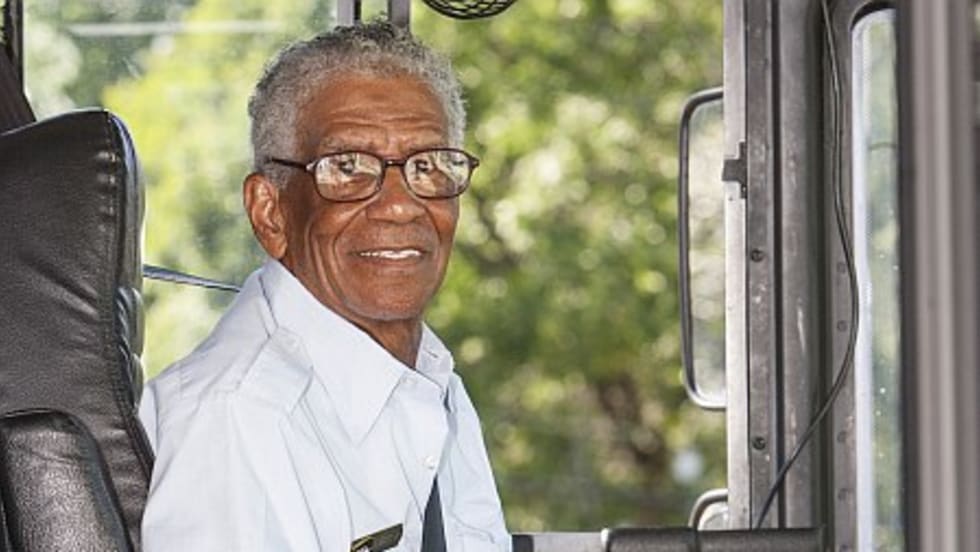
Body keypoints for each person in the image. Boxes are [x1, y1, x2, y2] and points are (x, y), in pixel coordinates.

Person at [139, 21, 510, 552]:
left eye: (428, 166)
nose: (401, 205)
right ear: (270, 212)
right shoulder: (234, 420)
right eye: (348, 167)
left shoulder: (431, 380)